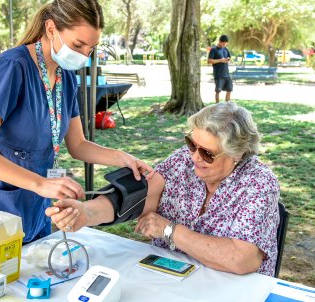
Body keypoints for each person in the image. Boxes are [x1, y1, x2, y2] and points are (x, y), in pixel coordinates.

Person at [0, 0, 153, 268]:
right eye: (78, 45)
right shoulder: (13, 67)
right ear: (51, 28)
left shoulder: (65, 78)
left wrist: (121, 157)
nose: (84, 55)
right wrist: (42, 183)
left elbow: (77, 145)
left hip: (35, 208)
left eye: (91, 48)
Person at [46, 102, 280, 277]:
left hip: (234, 287)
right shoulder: (183, 160)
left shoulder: (259, 184)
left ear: (236, 154)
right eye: (191, 144)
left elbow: (241, 259)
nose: (195, 157)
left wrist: (169, 231)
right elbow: (139, 195)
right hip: (173, 276)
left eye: (207, 153)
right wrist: (86, 212)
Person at [208, 35, 233, 103]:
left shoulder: (225, 49)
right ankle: (217, 105)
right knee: (218, 91)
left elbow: (229, 58)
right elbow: (209, 61)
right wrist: (220, 60)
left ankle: (227, 106)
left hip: (227, 74)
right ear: (219, 41)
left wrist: (228, 59)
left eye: (225, 44)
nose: (224, 45)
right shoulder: (213, 49)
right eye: (223, 43)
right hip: (218, 74)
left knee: (229, 89)